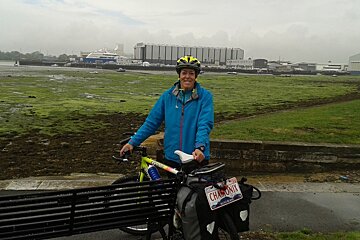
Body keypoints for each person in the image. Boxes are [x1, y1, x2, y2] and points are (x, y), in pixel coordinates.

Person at [120, 55, 214, 171]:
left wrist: (200, 147)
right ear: (179, 75)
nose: (187, 77)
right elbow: (151, 123)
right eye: (184, 73)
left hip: (195, 156)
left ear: (196, 76)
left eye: (191, 73)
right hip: (172, 157)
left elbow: (204, 124)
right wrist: (133, 142)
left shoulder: (205, 97)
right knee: (172, 189)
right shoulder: (167, 96)